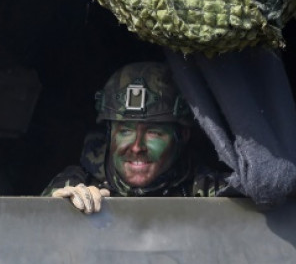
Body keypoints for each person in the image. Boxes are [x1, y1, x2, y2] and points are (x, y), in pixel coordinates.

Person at [43, 62, 231, 213]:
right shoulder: (76, 182)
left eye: (154, 133)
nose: (136, 147)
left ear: (182, 135)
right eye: (125, 131)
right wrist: (62, 211)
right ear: (110, 134)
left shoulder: (209, 192)